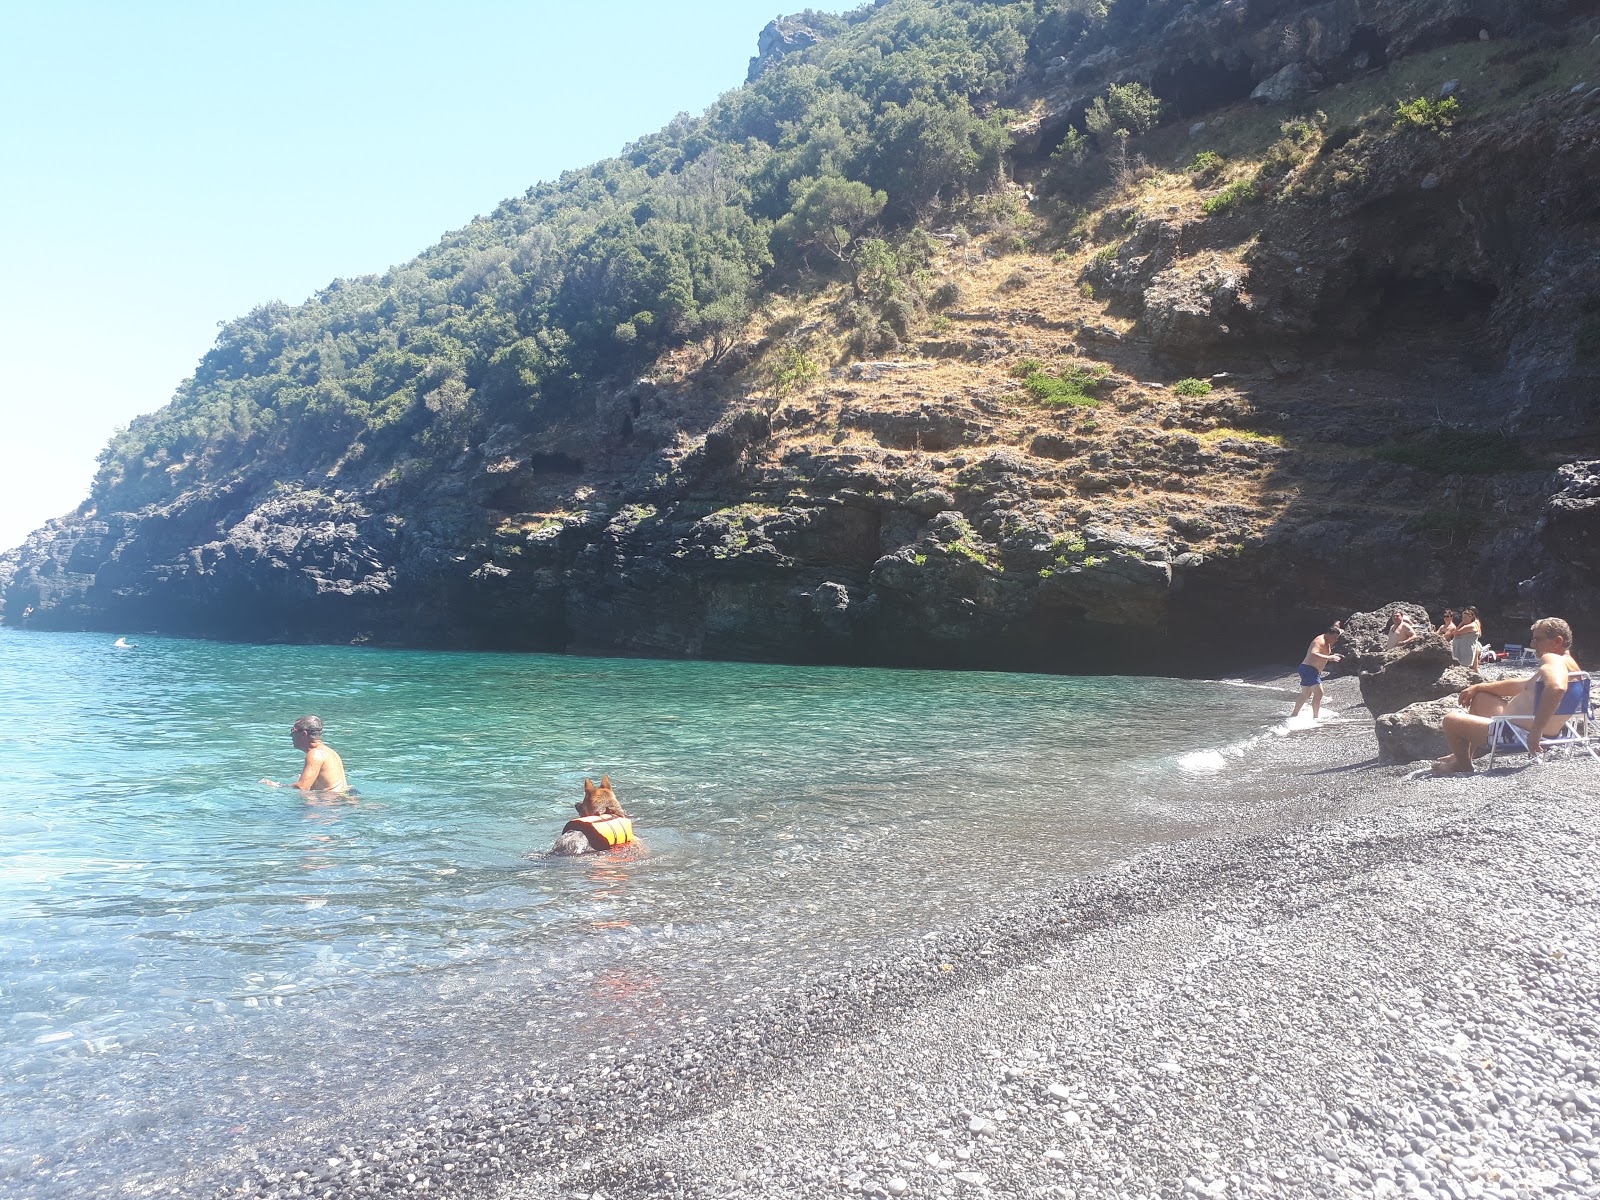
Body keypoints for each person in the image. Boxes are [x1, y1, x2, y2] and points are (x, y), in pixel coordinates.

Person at [1432, 617, 1581, 774]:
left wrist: (1536, 731)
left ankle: (1462, 765)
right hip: (1529, 730)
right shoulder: (1570, 666)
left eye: (1538, 639)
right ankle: (1464, 755)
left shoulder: (1553, 659)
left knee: (1451, 721)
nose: (1532, 644)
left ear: (1557, 641)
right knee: (1480, 696)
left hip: (1517, 735)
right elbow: (1520, 685)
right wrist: (1478, 687)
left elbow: (1556, 688)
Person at [260, 715, 350, 793]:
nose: (291, 735)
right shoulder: (330, 752)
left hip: (333, 803)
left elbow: (302, 787)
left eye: (293, 730)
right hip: (345, 797)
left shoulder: (315, 754)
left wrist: (277, 786)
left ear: (304, 734)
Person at [1291, 622, 1343, 719]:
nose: (1336, 640)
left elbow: (1336, 626)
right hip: (1309, 669)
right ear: (1328, 634)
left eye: (1337, 638)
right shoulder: (1319, 641)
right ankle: (1316, 718)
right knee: (1319, 693)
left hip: (1310, 670)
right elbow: (1313, 653)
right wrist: (1330, 657)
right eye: (1334, 638)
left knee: (1305, 694)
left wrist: (1338, 625)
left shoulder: (1329, 639)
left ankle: (1294, 715)